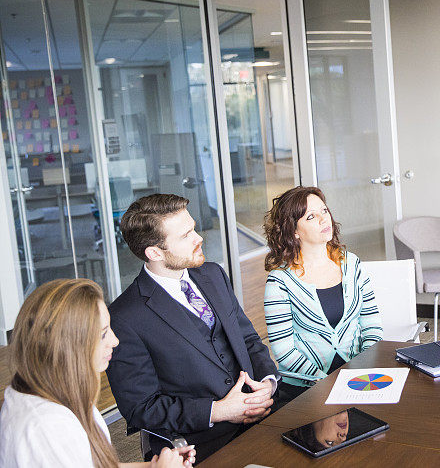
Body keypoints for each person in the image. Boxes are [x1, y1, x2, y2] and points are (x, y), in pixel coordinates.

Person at [106, 194, 279, 463]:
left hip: (263, 417)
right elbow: (140, 408)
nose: (199, 238)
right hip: (198, 445)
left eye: (194, 228)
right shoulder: (124, 317)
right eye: (186, 235)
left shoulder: (213, 274)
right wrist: (218, 411)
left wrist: (267, 384)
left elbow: (249, 340)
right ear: (154, 253)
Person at [0, 278, 194, 468]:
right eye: (103, 334)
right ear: (67, 347)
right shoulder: (47, 429)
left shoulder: (57, 391)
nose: (115, 341)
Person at [264, 186, 383, 401]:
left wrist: (363, 372)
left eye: (324, 211)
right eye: (311, 216)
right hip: (307, 389)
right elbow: (284, 351)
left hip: (359, 380)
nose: (323, 219)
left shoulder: (351, 264)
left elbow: (372, 326)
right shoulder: (279, 281)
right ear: (294, 231)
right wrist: (327, 384)